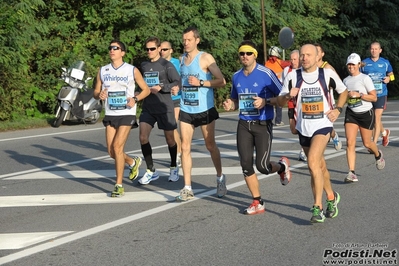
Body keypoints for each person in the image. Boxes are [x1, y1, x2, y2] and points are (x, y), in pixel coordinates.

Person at [277, 44, 348, 223]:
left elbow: (344, 91)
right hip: (304, 127)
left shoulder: (327, 74)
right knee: (319, 166)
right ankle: (331, 197)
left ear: (317, 56)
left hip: (323, 125)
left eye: (308, 55)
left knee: (312, 163)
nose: (304, 58)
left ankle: (318, 207)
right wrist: (287, 96)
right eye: (302, 55)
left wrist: (338, 109)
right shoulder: (293, 76)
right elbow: (280, 100)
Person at [223, 40, 292, 215]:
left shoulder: (266, 73)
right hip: (244, 124)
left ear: (255, 55)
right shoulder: (236, 76)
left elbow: (282, 97)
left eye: (248, 53)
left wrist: (265, 101)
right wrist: (231, 103)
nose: (245, 56)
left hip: (263, 124)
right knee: (245, 164)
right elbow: (235, 98)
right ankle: (257, 201)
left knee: (262, 166)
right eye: (241, 53)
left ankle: (282, 167)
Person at [175, 26, 227, 201]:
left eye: (189, 40)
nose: (186, 43)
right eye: (184, 40)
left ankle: (220, 177)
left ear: (197, 40)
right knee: (184, 147)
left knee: (210, 145)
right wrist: (178, 87)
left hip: (204, 109)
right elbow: (183, 83)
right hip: (186, 108)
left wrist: (201, 82)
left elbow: (221, 81)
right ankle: (187, 187)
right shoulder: (181, 59)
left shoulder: (205, 58)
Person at [93, 40, 150, 197]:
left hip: (127, 112)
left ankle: (118, 185)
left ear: (122, 52)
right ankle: (132, 162)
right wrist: (100, 95)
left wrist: (136, 99)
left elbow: (146, 90)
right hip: (110, 113)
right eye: (110, 47)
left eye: (115, 48)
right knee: (111, 151)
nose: (112, 50)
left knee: (118, 147)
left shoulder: (131, 70)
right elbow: (96, 91)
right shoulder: (103, 70)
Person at [137, 36, 181, 184]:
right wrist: (137, 93)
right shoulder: (143, 65)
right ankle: (150, 170)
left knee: (170, 139)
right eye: (147, 49)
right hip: (148, 107)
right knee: (143, 137)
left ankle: (174, 166)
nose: (149, 51)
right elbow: (141, 85)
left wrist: (162, 87)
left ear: (158, 49)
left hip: (164, 106)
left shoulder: (166, 64)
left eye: (152, 49)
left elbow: (177, 81)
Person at [343, 53, 385, 183]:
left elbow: (374, 97)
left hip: (366, 113)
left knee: (367, 143)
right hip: (351, 113)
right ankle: (352, 172)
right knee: (350, 142)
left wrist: (359, 95)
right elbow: (344, 97)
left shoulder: (365, 78)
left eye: (353, 65)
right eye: (349, 65)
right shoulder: (345, 80)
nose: (351, 67)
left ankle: (378, 155)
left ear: (359, 65)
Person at [361, 42, 395, 147]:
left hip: (381, 94)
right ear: (369, 50)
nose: (374, 51)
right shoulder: (364, 63)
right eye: (372, 49)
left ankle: (374, 143)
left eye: (376, 49)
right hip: (369, 95)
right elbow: (358, 77)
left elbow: (392, 75)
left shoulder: (385, 63)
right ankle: (384, 133)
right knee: (373, 119)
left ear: (380, 50)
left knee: (376, 117)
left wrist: (389, 79)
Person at [314, 43, 342, 151]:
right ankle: (307, 150)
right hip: (313, 102)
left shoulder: (327, 67)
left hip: (327, 103)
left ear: (322, 54)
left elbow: (339, 85)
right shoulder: (308, 67)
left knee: (326, 127)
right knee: (312, 125)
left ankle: (334, 136)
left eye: (318, 51)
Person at [160, 41, 182, 167]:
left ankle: (178, 154)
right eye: (161, 49)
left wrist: (177, 87)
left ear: (171, 50)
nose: (162, 52)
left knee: (172, 126)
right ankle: (177, 150)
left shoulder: (177, 63)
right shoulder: (157, 63)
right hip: (163, 99)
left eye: (165, 49)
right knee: (167, 130)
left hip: (176, 98)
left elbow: (182, 79)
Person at [282, 49, 307, 162]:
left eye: (295, 59)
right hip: (291, 103)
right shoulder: (287, 70)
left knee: (303, 127)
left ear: (300, 59)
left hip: (303, 104)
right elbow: (283, 87)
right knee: (294, 130)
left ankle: (304, 150)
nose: (293, 62)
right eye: (291, 59)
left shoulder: (305, 70)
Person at [265, 46, 290, 126]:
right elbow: (290, 64)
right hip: (278, 85)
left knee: (268, 102)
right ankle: (278, 121)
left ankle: (267, 119)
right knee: (279, 102)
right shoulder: (279, 62)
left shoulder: (266, 63)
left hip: (268, 85)